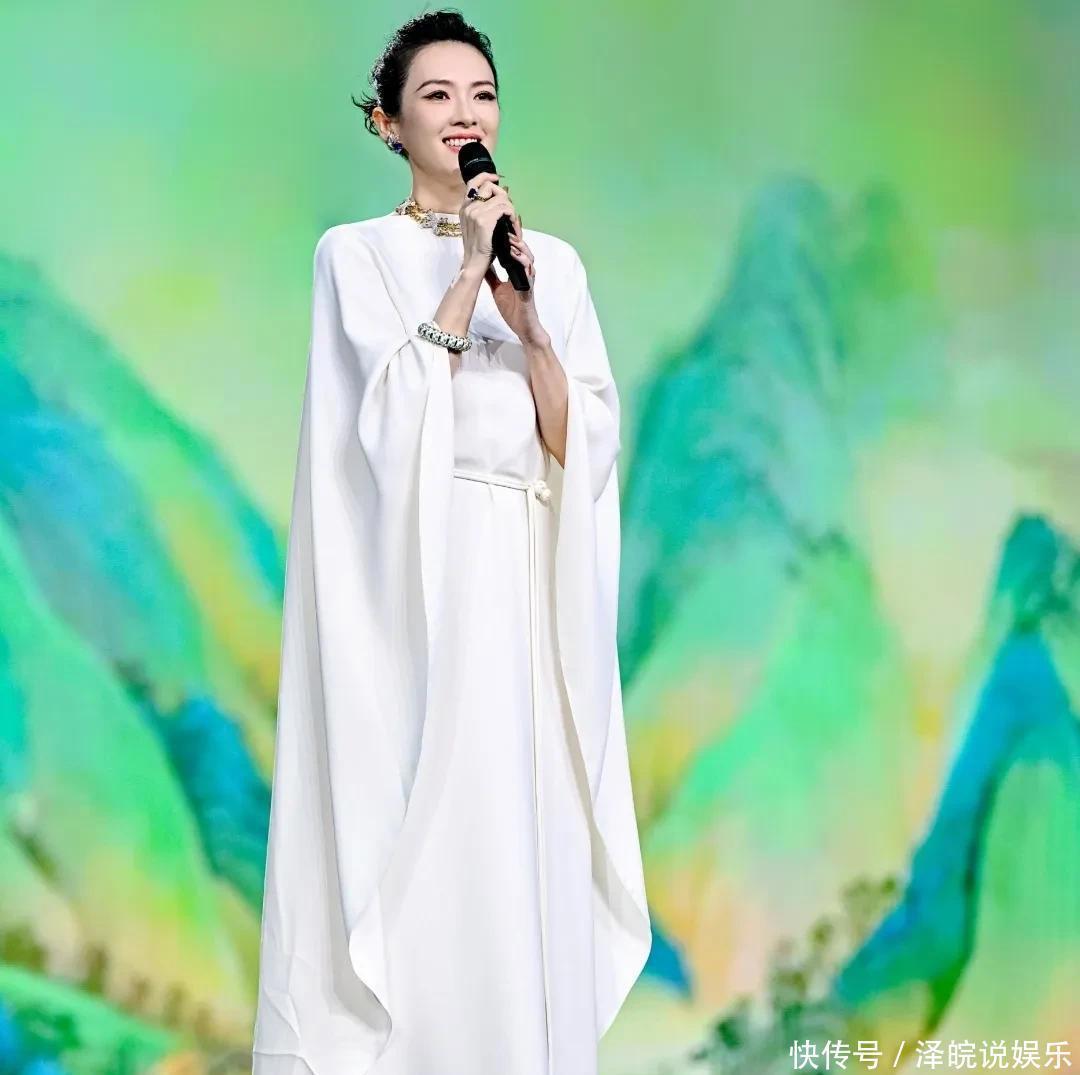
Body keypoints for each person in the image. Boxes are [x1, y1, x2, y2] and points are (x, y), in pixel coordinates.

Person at [251, 11, 651, 1075]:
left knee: (526, 846)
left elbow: (582, 442)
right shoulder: (355, 256)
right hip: (420, 602)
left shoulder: (555, 264)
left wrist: (531, 325)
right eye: (437, 96)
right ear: (388, 123)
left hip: (525, 592)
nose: (466, 114)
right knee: (432, 852)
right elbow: (382, 430)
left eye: (482, 95)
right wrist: (466, 272)